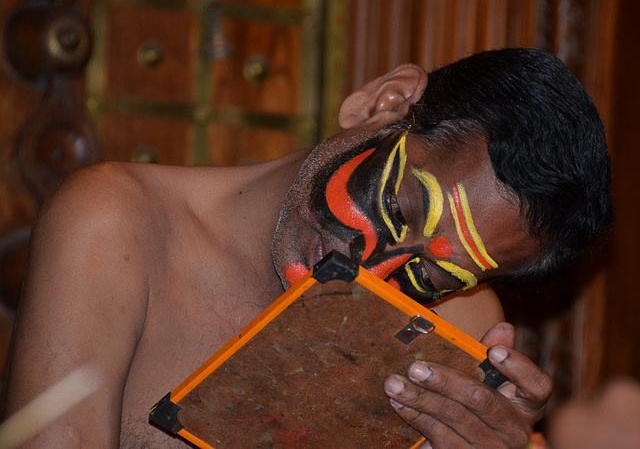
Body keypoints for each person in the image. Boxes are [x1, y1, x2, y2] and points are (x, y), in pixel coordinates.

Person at [2, 48, 610, 448]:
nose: (373, 265)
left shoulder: (449, 336)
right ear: (384, 103)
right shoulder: (118, 224)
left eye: (437, 271)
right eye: (401, 208)